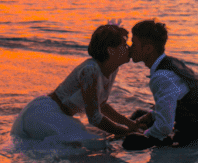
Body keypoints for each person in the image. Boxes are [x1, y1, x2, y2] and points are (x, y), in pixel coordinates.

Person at [11, 22, 143, 146]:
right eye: (124, 45)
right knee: (95, 145)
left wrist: (129, 124)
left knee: (99, 142)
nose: (129, 49)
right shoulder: (91, 70)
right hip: (45, 114)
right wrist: (124, 131)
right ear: (111, 50)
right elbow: (94, 118)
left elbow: (101, 104)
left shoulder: (112, 68)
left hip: (59, 115)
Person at [123, 19, 198, 150]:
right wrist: (151, 116)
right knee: (140, 114)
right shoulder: (171, 63)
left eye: (134, 44)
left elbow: (164, 127)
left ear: (148, 49)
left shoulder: (162, 76)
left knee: (128, 142)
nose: (130, 48)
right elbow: (173, 103)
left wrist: (144, 134)